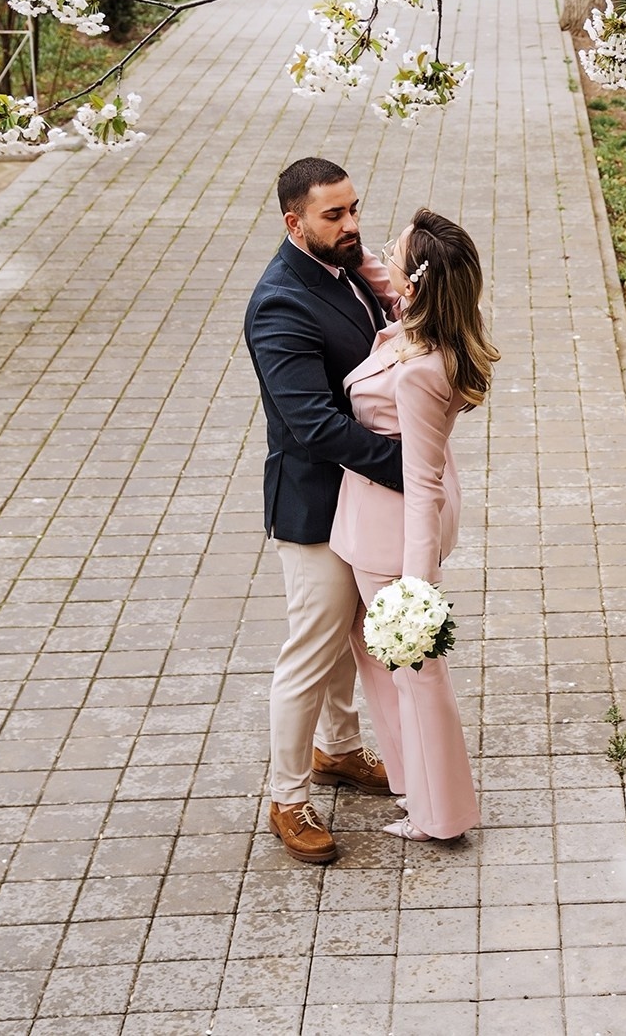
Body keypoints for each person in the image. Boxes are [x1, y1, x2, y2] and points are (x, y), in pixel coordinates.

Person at [244, 157, 405, 863]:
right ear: (294, 222)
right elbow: (312, 423)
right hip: (314, 502)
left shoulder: (346, 267)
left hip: (359, 496)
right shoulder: (279, 303)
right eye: (333, 215)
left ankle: (338, 749)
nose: (351, 224)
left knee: (350, 633)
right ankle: (286, 797)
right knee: (310, 652)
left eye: (354, 208)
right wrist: (405, 467)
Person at [330, 208, 493, 842]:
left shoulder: (424, 369)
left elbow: (420, 482)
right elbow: (384, 276)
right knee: (382, 665)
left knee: (417, 673)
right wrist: (353, 248)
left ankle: (440, 815)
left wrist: (418, 591)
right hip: (376, 523)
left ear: (417, 281)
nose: (384, 257)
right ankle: (414, 788)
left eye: (394, 252)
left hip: (394, 533)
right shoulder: (424, 324)